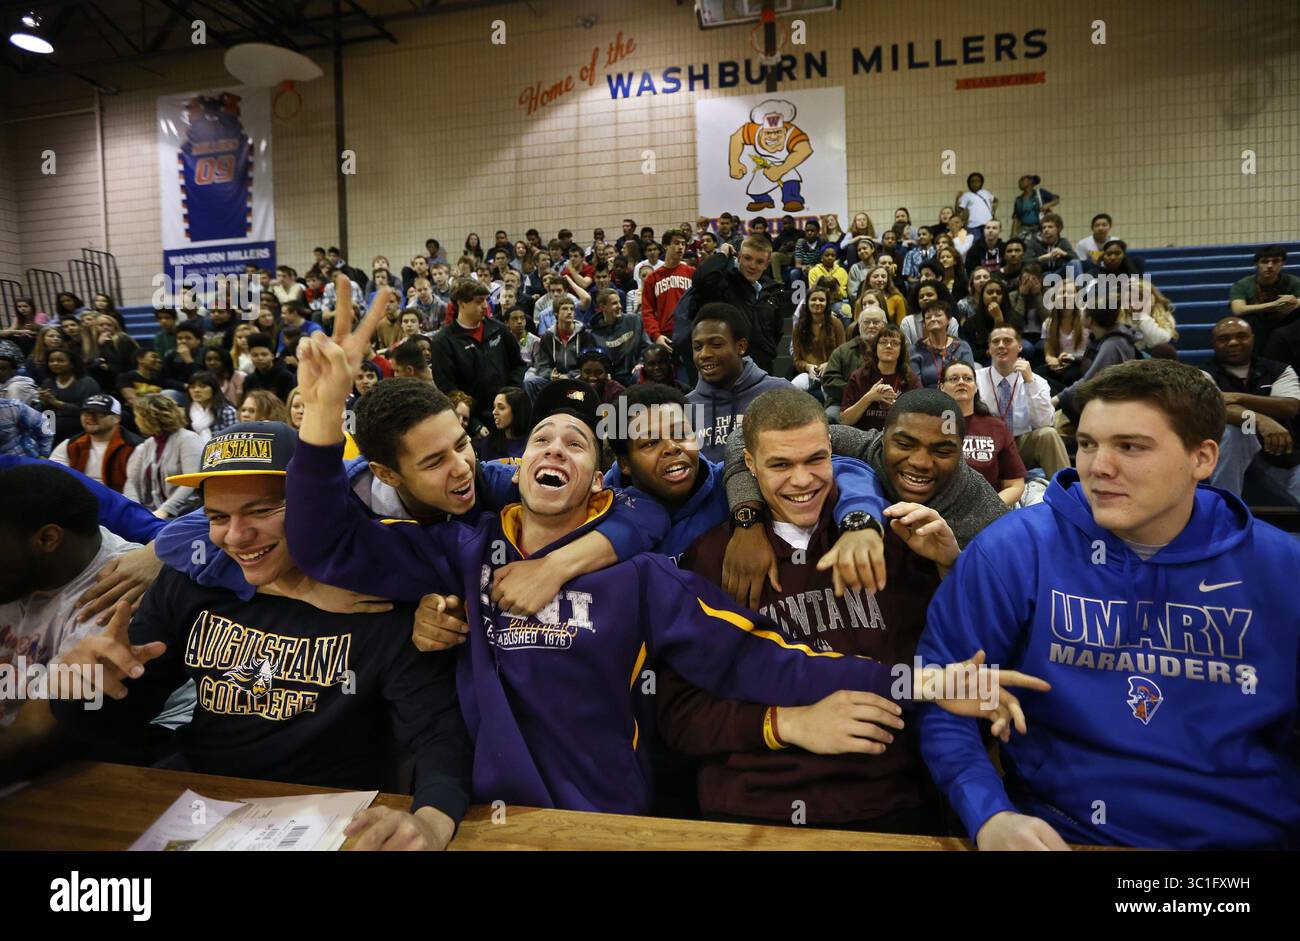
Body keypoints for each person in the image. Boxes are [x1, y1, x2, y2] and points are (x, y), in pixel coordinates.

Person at [286, 321, 1026, 815]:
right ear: (515, 466)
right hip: (485, 818)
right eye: (541, 438)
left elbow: (762, 659)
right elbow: (328, 548)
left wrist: (923, 682)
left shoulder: (643, 572)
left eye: (577, 443)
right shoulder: (463, 549)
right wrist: (320, 426)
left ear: (600, 482)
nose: (555, 448)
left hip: (608, 820)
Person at [918, 358, 1300, 849]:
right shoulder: (1012, 551)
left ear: (1203, 458)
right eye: (1087, 444)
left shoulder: (1281, 567)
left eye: (1130, 447)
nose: (1098, 467)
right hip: (1067, 834)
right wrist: (990, 814)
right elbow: (942, 696)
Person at [49, 422, 474, 850]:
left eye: (261, 511)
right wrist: (84, 689)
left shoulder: (377, 599)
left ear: (316, 505)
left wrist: (431, 819)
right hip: (197, 807)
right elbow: (117, 723)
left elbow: (438, 732)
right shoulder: (192, 581)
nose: (236, 536)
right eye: (217, 517)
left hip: (332, 822)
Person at [655, 388, 971, 833]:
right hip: (753, 806)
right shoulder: (713, 557)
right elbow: (679, 714)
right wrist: (785, 724)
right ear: (749, 465)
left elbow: (950, 669)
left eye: (815, 460)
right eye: (780, 465)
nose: (802, 481)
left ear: (833, 453)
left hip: (888, 802)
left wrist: (950, 567)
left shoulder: (901, 540)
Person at [0, 465, 143, 771]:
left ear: (47, 539)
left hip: (87, 763)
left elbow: (42, 728)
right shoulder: (16, 572)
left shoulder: (118, 588)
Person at [1204, 316, 1300, 507]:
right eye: (1224, 339)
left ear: (1253, 338)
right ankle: (1226, 511)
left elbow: (1289, 406)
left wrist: (1238, 398)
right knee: (1235, 431)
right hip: (1228, 454)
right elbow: (1215, 407)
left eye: (1241, 336)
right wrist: (1261, 420)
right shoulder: (1202, 374)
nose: (1233, 343)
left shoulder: (1279, 370)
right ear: (1214, 343)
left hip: (1279, 453)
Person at [687, 303, 789, 462]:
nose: (704, 354)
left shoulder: (781, 393)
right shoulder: (686, 406)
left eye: (716, 344)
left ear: (741, 346)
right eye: (698, 347)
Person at [976, 325, 1070, 479]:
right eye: (995, 341)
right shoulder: (974, 379)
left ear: (1019, 347)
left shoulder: (1036, 381)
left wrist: (1030, 383)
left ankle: (1066, 489)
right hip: (985, 445)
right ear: (989, 349)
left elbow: (1045, 422)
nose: (1001, 345)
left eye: (1007, 341)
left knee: (1048, 434)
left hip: (1018, 444)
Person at [430, 278, 526, 428]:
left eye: (486, 300)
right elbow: (447, 388)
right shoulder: (443, 341)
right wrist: (473, 423)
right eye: (479, 301)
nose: (485, 306)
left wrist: (510, 395)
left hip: (507, 412)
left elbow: (518, 364)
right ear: (462, 303)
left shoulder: (498, 329)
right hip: (475, 420)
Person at [687, 236, 780, 375]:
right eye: (747, 258)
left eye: (759, 261)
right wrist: (722, 254)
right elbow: (702, 280)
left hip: (763, 369)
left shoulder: (772, 291)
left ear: (767, 264)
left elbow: (777, 332)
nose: (752, 265)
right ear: (739, 257)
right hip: (726, 368)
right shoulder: (723, 284)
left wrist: (767, 350)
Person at [939, 362, 1026, 506]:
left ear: (976, 387)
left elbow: (1015, 484)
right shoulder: (929, 425)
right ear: (942, 387)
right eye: (954, 379)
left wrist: (988, 509)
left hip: (989, 508)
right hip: (941, 507)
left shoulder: (996, 427)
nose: (961, 382)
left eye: (968, 378)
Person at [1052, 305, 1141, 424]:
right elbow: (1099, 360)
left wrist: (1057, 399)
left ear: (1090, 320)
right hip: (1102, 395)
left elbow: (1090, 380)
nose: (1081, 312)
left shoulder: (1112, 345)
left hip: (1107, 404)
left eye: (1084, 310)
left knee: (1052, 389)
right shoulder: (1107, 337)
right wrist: (1075, 359)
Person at [123, 395, 202, 519]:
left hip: (185, 513)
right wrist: (134, 509)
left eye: (137, 416)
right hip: (152, 513)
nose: (136, 420)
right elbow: (131, 482)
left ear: (147, 418)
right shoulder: (147, 445)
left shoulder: (189, 439)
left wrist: (165, 510)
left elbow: (191, 481)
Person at [50, 394, 141, 492]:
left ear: (116, 418)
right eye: (85, 413)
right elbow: (53, 478)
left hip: (118, 499)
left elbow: (133, 491)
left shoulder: (134, 448)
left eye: (99, 414)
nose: (90, 418)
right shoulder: (70, 445)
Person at [841, 325, 920, 433]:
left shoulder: (910, 378)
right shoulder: (859, 376)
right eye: (883, 342)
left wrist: (894, 406)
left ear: (901, 350)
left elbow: (918, 419)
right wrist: (869, 397)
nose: (888, 346)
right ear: (876, 347)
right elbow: (845, 420)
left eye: (894, 343)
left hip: (897, 436)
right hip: (863, 437)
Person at [1230, 246, 1300, 351]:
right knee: (1250, 318)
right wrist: (1274, 304)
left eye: (1275, 261)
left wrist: (1295, 302)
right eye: (1264, 262)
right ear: (1256, 264)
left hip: (1284, 324)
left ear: (1283, 263)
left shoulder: (1293, 281)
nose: (1270, 266)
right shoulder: (1242, 284)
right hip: (1258, 326)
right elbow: (1238, 309)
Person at [526, 299, 597, 400]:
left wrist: (569, 376)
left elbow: (589, 364)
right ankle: (538, 410)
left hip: (578, 379)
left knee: (590, 383)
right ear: (556, 313)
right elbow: (542, 365)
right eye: (565, 309)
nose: (569, 312)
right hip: (554, 379)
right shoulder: (547, 336)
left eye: (572, 309)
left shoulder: (584, 334)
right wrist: (551, 375)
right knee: (529, 382)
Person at [37, 348, 100, 445]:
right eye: (51, 361)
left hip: (80, 424)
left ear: (72, 364)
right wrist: (44, 402)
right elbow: (47, 412)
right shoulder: (48, 382)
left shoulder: (87, 383)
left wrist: (57, 403)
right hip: (53, 424)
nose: (55, 363)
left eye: (60, 361)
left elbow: (89, 411)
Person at [791, 287, 845, 400]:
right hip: (809, 373)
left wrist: (829, 363)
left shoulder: (836, 323)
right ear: (807, 302)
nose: (817, 303)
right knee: (793, 387)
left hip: (832, 372)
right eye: (813, 299)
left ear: (827, 303)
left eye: (821, 300)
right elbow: (797, 360)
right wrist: (808, 366)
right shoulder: (798, 327)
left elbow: (843, 353)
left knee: (828, 392)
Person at [587, 288, 650, 386]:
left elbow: (646, 346)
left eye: (619, 302)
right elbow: (595, 361)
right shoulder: (594, 334)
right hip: (610, 379)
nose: (619, 306)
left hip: (635, 373)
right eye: (614, 303)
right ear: (602, 307)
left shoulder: (634, 321)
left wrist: (641, 363)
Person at [961, 278, 1026, 364]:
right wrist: (989, 352)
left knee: (1027, 347)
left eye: (998, 293)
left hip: (1010, 354)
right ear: (982, 296)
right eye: (990, 292)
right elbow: (968, 351)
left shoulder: (1015, 318)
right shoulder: (971, 322)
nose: (994, 295)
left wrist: (999, 320)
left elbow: (1015, 343)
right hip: (984, 358)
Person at [911, 302, 975, 388]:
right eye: (928, 317)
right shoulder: (915, 350)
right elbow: (916, 385)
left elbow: (969, 378)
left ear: (949, 319)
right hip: (926, 395)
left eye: (938, 315)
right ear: (924, 324)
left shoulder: (962, 347)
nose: (933, 319)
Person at [477, 386, 530, 464]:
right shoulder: (486, 444)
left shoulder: (532, 444)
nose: (494, 412)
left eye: (501, 408)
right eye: (494, 407)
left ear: (517, 411)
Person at [185, 371, 239, 444]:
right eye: (192, 387)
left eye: (202, 386)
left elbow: (234, 441)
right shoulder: (186, 412)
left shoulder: (227, 411)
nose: (196, 390)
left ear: (213, 389)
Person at [241, 332, 296, 403]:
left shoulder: (286, 377)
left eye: (264, 354)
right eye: (255, 355)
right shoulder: (249, 380)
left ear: (272, 356)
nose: (260, 358)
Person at [957, 172, 998, 242]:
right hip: (973, 226)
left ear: (981, 183)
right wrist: (957, 199)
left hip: (988, 224)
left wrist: (993, 210)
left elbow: (996, 200)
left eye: (977, 181)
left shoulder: (986, 192)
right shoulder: (966, 195)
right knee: (976, 244)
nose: (975, 183)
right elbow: (959, 210)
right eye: (972, 181)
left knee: (989, 243)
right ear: (969, 183)